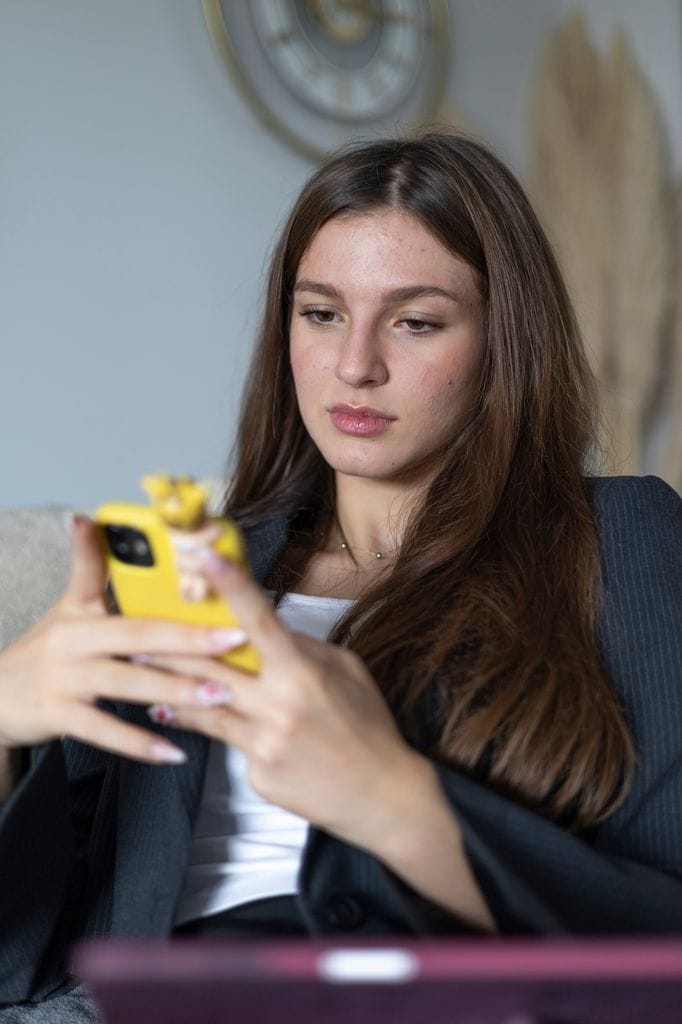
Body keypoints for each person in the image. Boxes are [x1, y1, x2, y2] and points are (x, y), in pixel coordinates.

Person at [1, 132, 681, 1018]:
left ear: (503, 343)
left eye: (416, 321)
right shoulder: (185, 563)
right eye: (321, 313)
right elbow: (23, 963)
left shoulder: (615, 536)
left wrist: (387, 794)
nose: (355, 365)